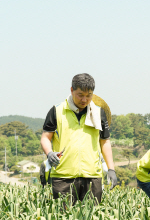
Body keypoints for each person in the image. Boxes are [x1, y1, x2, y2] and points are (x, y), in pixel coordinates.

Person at [40, 73, 117, 205]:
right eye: (80, 95)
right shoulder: (57, 111)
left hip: (92, 176)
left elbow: (105, 142)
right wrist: (49, 153)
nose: (84, 99)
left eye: (89, 95)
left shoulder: (98, 113)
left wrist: (111, 169)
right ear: (72, 90)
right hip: (63, 176)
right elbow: (45, 138)